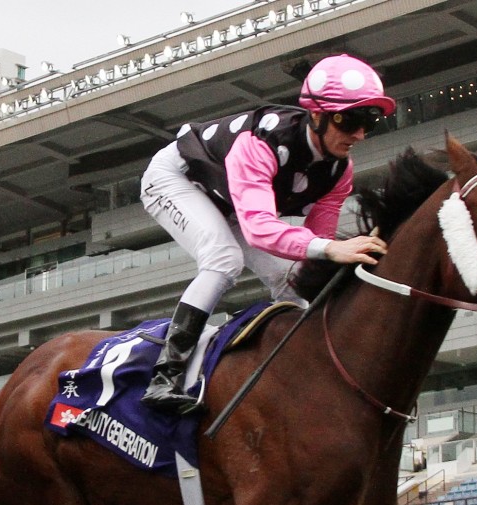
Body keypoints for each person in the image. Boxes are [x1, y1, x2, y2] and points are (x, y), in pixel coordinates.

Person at [139, 53, 394, 414]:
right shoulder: (262, 142)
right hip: (177, 178)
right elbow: (260, 230)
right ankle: (165, 377)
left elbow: (310, 251)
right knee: (224, 259)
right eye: (349, 120)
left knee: (293, 279)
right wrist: (332, 249)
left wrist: (341, 262)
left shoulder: (340, 171)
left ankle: (300, 377)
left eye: (370, 122)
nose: (359, 134)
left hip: (229, 200)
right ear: (317, 115)